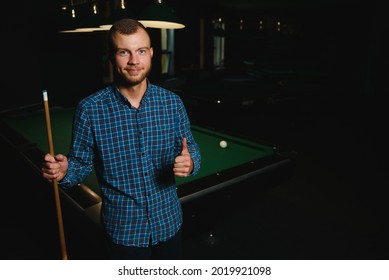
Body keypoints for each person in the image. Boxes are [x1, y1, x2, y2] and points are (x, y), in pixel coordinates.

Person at [41, 18, 201, 260]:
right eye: (124, 52)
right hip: (124, 233)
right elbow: (80, 164)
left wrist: (190, 164)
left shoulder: (172, 103)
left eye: (141, 51)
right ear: (111, 56)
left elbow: (192, 150)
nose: (134, 61)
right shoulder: (90, 109)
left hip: (169, 224)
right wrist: (65, 171)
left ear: (151, 53)